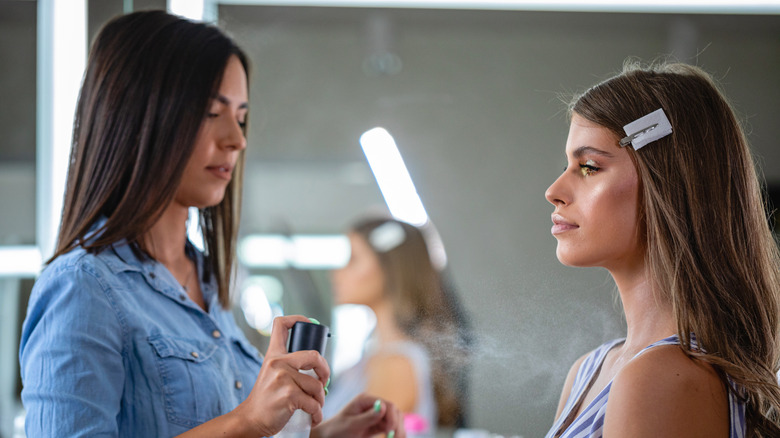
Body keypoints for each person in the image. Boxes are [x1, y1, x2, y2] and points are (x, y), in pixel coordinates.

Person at [18, 10, 404, 438]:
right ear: (138, 115)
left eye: (240, 116)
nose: (236, 139)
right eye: (210, 112)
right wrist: (247, 421)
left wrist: (325, 435)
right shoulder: (82, 287)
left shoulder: (207, 282)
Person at [544, 60, 780, 437]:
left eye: (589, 166)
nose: (553, 191)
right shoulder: (589, 370)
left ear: (666, 182)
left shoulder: (657, 381)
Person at [325, 217, 472, 434]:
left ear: (389, 267)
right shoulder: (371, 362)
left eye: (353, 259)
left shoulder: (397, 365)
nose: (336, 273)